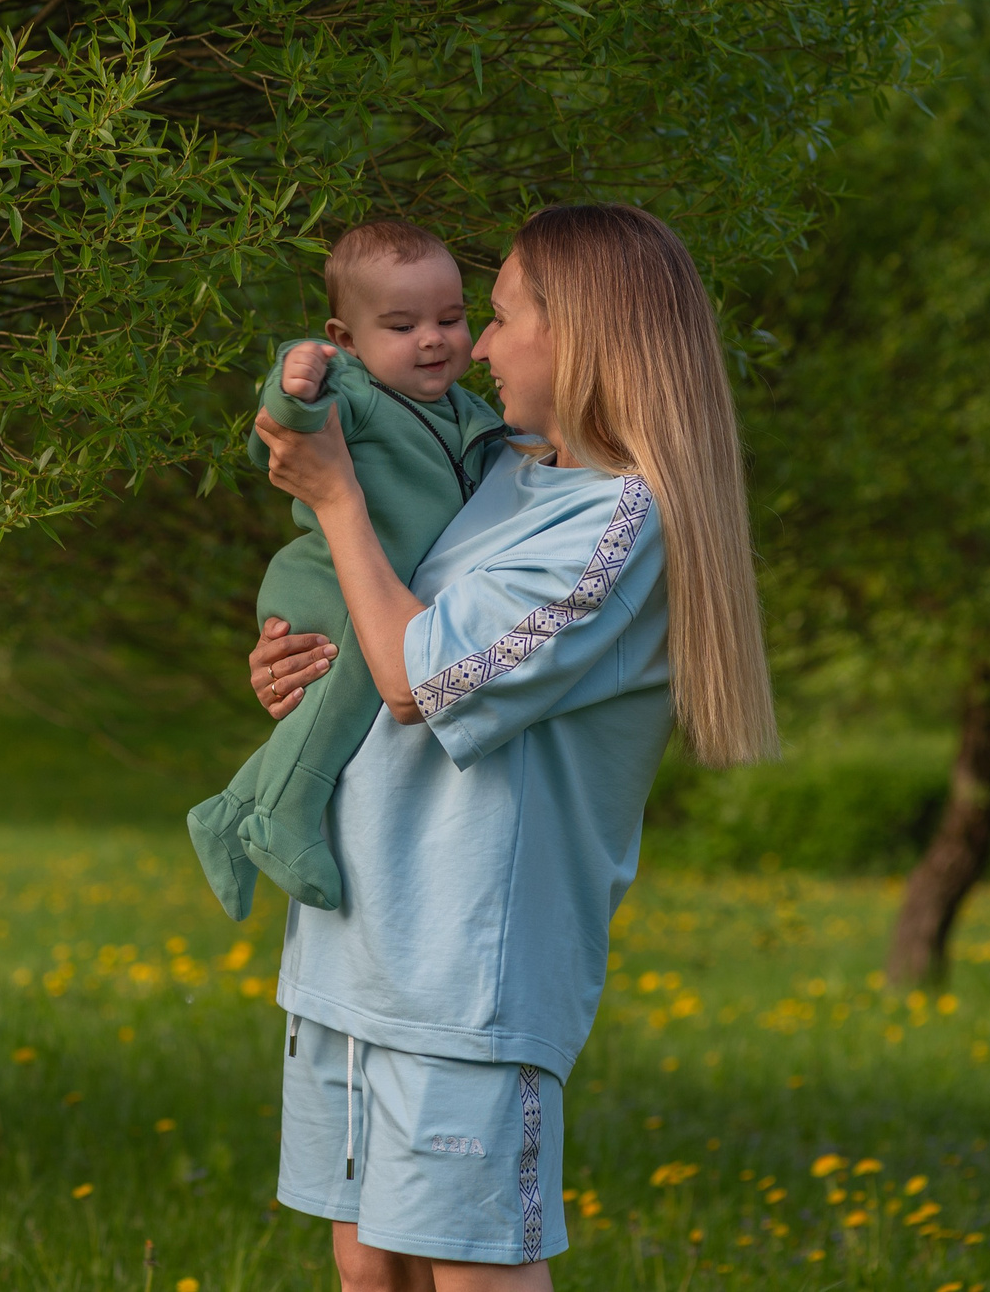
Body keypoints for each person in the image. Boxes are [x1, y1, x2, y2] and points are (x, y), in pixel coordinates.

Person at [246, 203, 775, 1291]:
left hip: (462, 983)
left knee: (471, 1271)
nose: (474, 347)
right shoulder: (500, 471)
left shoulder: (622, 524)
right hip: (354, 948)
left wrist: (334, 494)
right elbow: (377, 639)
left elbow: (414, 681)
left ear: (576, 334)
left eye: (495, 316)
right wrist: (292, 666)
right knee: (365, 1265)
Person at [189, 221, 507, 919]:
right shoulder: (356, 392)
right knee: (357, 681)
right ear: (349, 337)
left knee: (347, 695)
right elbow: (284, 431)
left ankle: (228, 812)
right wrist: (294, 382)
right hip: (329, 577)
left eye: (450, 318)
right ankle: (283, 816)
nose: (432, 337)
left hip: (371, 583)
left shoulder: (466, 410)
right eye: (401, 324)